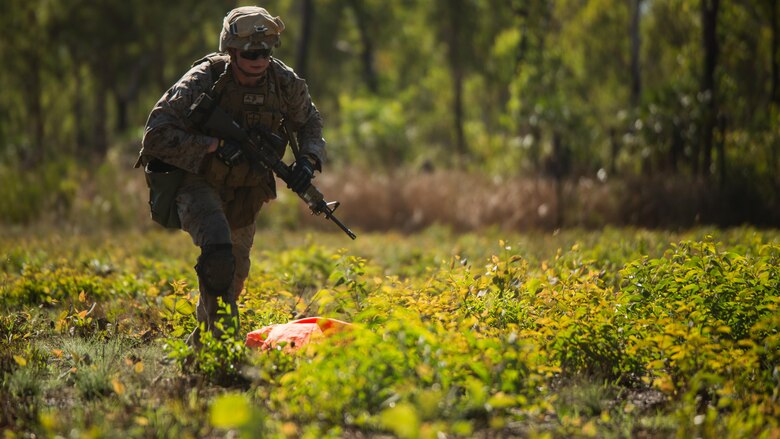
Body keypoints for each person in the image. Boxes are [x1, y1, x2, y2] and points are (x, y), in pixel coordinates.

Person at [136, 6, 326, 346]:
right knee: (219, 252)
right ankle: (225, 349)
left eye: (265, 51)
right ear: (232, 51)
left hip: (246, 187)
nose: (258, 59)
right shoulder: (203, 80)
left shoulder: (283, 83)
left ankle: (201, 345)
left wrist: (308, 161)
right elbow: (155, 135)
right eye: (250, 52)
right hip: (198, 181)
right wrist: (211, 145)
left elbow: (309, 121)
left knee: (232, 276)